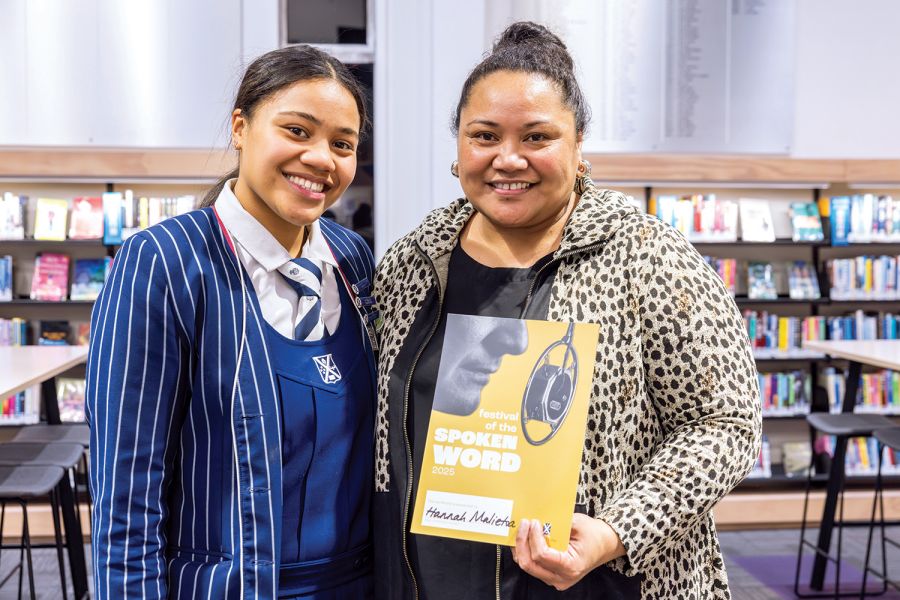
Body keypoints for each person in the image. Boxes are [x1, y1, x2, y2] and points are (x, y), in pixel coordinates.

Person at [372, 21, 762, 599]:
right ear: (459, 146)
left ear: (578, 146)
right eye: (484, 136)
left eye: (537, 137)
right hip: (426, 577)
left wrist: (616, 530)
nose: (508, 158)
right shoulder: (416, 260)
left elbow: (726, 424)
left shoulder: (645, 255)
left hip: (599, 581)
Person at [87, 45, 377, 599]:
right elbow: (127, 494)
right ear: (240, 127)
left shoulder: (351, 259)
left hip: (358, 584)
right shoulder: (165, 263)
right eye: (297, 131)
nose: (322, 158)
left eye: (343, 144)